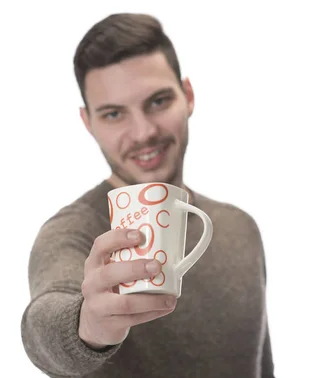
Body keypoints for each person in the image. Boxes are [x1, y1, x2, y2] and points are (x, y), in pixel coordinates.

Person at [20, 12, 275, 378]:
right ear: (88, 123)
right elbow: (42, 324)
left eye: (157, 102)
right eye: (113, 114)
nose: (142, 132)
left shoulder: (240, 229)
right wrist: (86, 326)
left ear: (187, 96)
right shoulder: (69, 232)